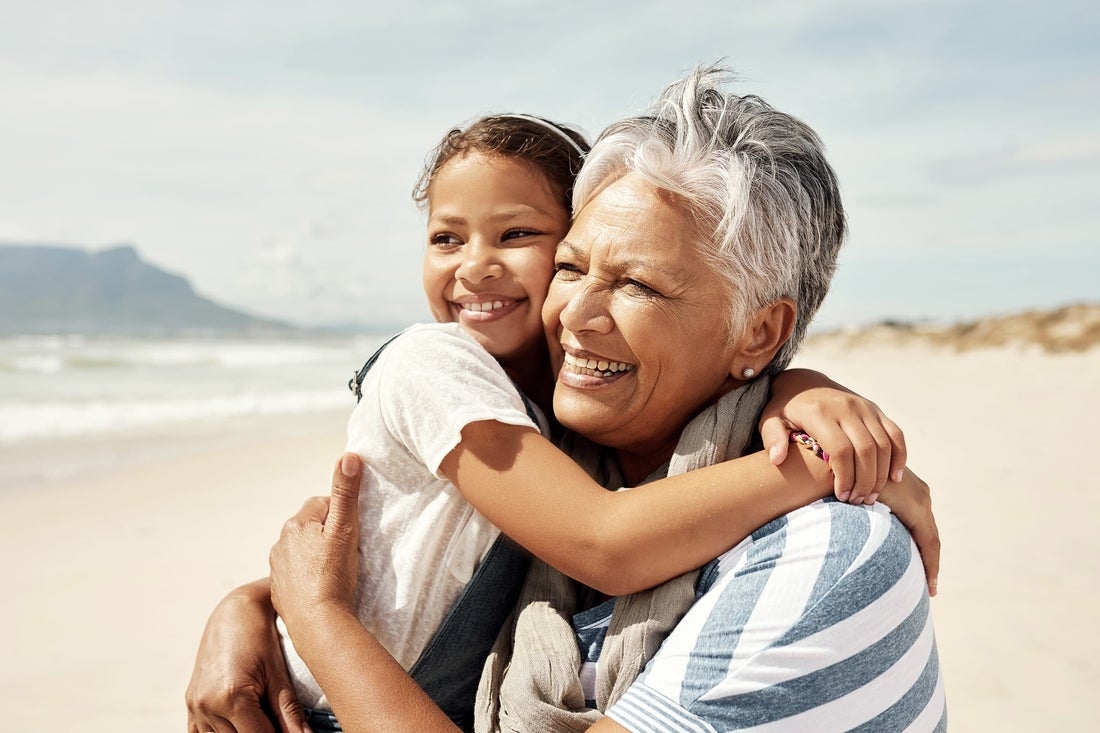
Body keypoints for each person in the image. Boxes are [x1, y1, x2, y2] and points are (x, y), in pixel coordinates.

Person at [187, 72, 943, 733]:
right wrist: (257, 602)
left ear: (761, 332)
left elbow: (603, 539)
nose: (574, 313)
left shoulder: (829, 557)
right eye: (573, 268)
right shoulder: (573, 458)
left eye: (637, 283)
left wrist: (321, 624)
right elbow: (444, 569)